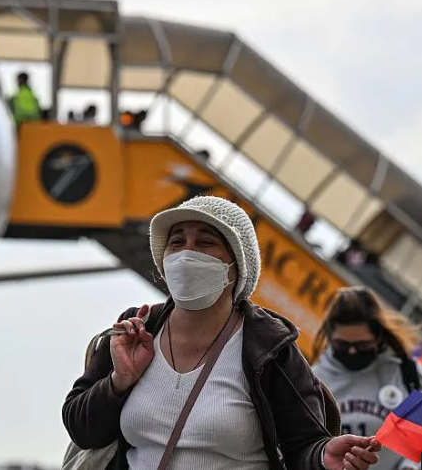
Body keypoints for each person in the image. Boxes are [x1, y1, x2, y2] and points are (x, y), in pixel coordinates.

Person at [62, 195, 382, 470]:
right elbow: (82, 430)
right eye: (177, 242)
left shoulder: (268, 346)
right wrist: (119, 382)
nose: (187, 254)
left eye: (206, 243)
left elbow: (304, 445)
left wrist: (325, 456)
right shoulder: (138, 328)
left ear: (236, 265)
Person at [312, 287, 421, 470]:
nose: (352, 351)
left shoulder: (407, 374)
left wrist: (410, 467)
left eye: (362, 345)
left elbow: (418, 439)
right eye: (342, 344)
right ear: (330, 337)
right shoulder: (314, 381)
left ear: (378, 337)